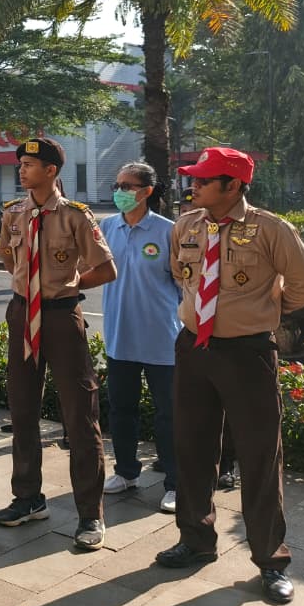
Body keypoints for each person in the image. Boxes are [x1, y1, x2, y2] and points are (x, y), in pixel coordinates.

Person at [156, 147, 304, 605]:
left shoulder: (271, 230)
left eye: (203, 180)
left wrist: (261, 312)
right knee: (191, 446)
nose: (193, 186)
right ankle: (195, 539)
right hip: (193, 346)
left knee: (258, 457)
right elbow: (181, 273)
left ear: (232, 185)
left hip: (248, 352)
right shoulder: (188, 226)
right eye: (193, 179)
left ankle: (271, 560)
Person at [0, 138, 116, 551]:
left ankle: (90, 514)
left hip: (61, 316)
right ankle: (28, 497)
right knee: (22, 408)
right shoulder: (13, 215)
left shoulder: (76, 217)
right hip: (20, 313)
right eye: (22, 164)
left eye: (30, 164)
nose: (23, 170)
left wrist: (70, 284)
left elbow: (106, 268)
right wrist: (27, 287)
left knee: (80, 415)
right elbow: (8, 259)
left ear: (51, 171)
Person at [98, 161, 182, 515]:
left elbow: (183, 285)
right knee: (122, 410)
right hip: (121, 337)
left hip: (162, 339)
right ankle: (126, 472)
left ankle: (176, 483)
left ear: (147, 191)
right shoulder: (106, 228)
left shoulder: (168, 231)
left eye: (128, 185)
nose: (120, 191)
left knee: (170, 414)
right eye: (118, 184)